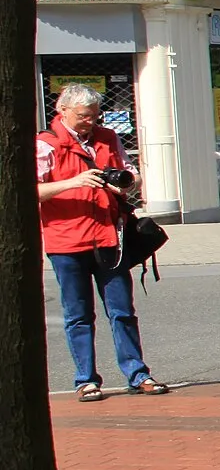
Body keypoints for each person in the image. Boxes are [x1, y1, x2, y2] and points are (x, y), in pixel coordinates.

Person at [36, 83, 166, 400]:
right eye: (83, 116)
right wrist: (74, 182)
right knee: (78, 316)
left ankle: (138, 374)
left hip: (109, 238)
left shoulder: (107, 138)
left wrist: (126, 186)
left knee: (122, 311)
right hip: (66, 243)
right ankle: (86, 380)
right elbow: (32, 190)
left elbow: (130, 174)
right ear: (62, 110)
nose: (90, 122)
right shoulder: (46, 145)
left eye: (95, 116)